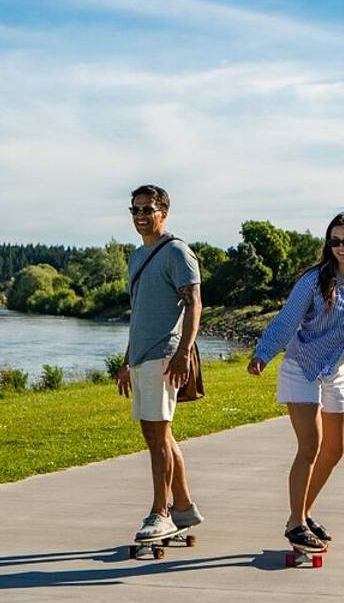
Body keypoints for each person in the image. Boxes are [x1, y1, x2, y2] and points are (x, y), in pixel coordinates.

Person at [247, 212, 344, 553]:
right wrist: (263, 353)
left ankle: (303, 513)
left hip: (335, 370)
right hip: (301, 368)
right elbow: (287, 320)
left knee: (335, 449)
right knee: (311, 446)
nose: (341, 247)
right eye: (334, 241)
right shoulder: (313, 281)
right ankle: (295, 523)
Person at [116, 184, 204, 541]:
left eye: (147, 209)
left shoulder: (177, 253)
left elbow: (195, 303)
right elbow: (139, 314)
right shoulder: (138, 257)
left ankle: (160, 512)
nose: (140, 216)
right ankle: (182, 507)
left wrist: (183, 351)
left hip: (164, 356)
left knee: (157, 437)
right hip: (140, 357)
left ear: (163, 212)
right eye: (135, 210)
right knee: (160, 437)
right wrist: (126, 361)